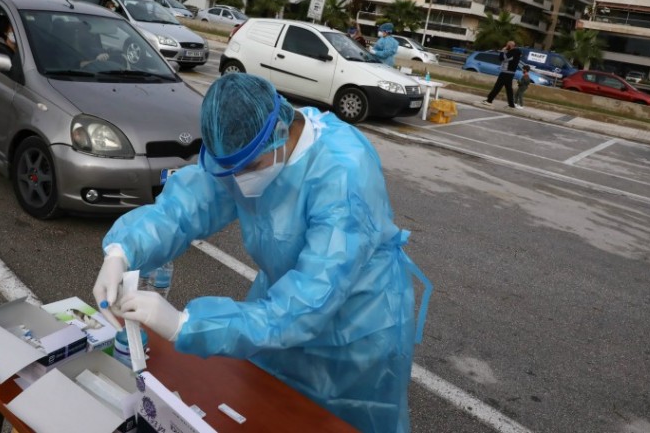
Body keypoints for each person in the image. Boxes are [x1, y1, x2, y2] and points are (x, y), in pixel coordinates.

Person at [93, 73, 431, 433]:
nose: (238, 180)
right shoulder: (247, 147)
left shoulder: (343, 173)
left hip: (354, 330)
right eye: (230, 170)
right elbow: (186, 206)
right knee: (263, 408)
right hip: (278, 308)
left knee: (339, 424)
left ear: (281, 135)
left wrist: (187, 326)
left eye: (249, 168)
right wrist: (122, 249)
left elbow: (310, 302)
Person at [481, 40, 522, 109]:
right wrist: (505, 51)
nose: (506, 46)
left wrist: (503, 51)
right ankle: (511, 105)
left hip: (506, 73)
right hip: (509, 73)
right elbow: (502, 58)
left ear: (510, 46)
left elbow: (503, 58)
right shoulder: (513, 52)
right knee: (509, 90)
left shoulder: (513, 52)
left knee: (497, 87)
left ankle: (489, 101)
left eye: (507, 45)